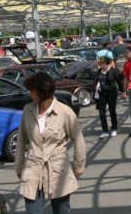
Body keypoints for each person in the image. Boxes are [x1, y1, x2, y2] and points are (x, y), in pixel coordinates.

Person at [15, 72, 86, 214]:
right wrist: (19, 166)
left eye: (32, 91)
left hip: (58, 170)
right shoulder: (27, 110)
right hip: (32, 169)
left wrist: (79, 166)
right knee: (32, 211)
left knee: (62, 210)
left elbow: (78, 140)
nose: (29, 95)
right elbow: (21, 141)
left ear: (41, 92)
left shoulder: (65, 112)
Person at [93, 57, 124, 139]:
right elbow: (95, 82)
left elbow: (119, 82)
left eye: (102, 63)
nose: (101, 65)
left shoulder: (113, 71)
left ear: (107, 63)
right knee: (101, 112)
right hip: (101, 93)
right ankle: (105, 130)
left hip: (111, 92)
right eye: (100, 64)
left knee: (112, 111)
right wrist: (93, 93)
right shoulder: (99, 71)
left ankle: (114, 128)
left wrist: (122, 91)